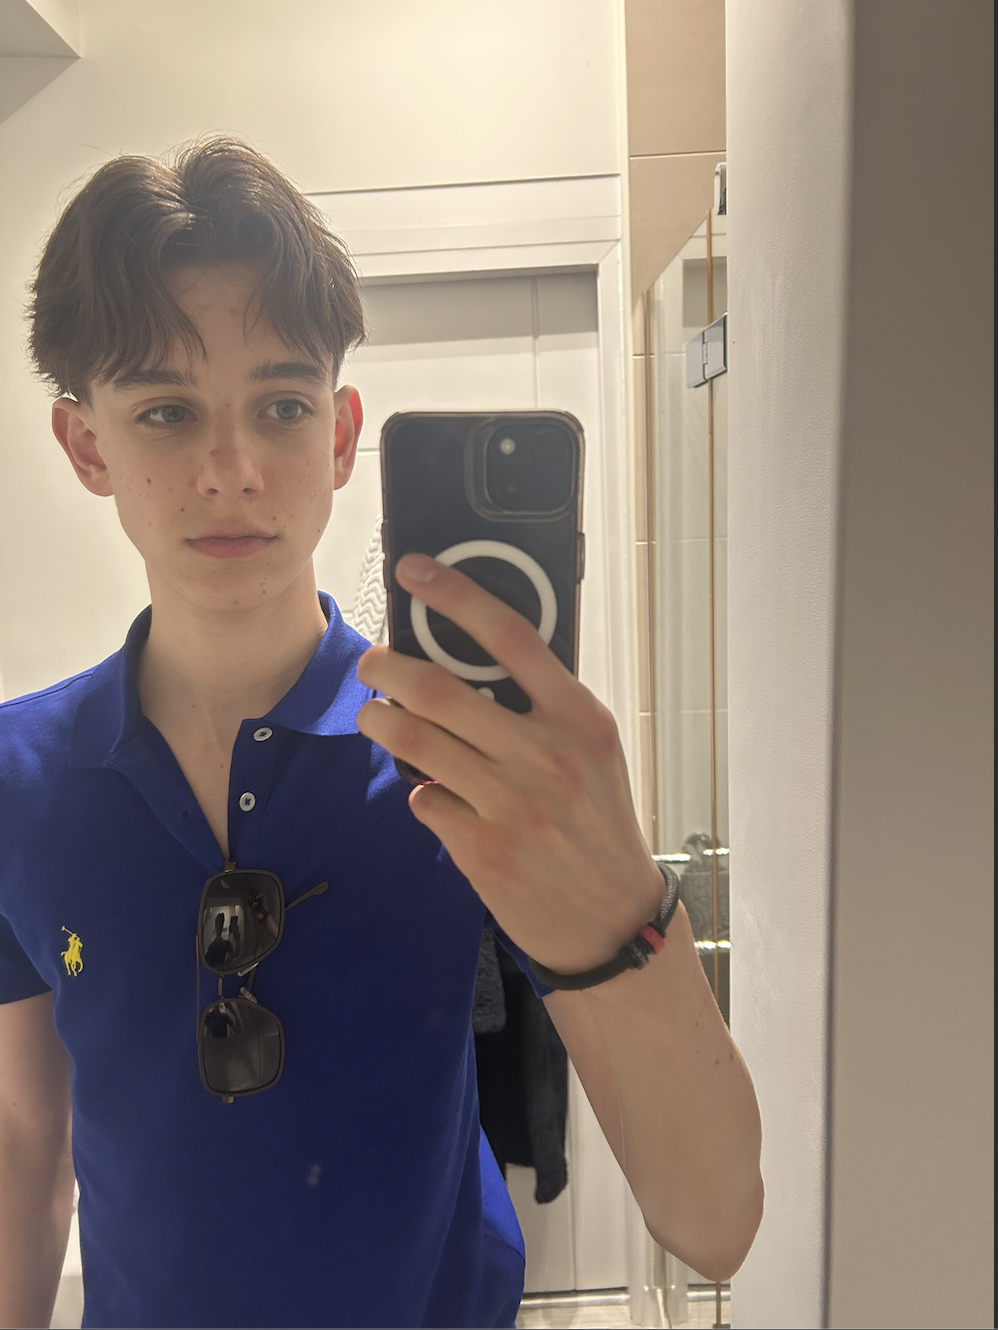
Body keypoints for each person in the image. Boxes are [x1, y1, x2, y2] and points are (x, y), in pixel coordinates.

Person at [0, 138, 763, 1330]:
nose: (231, 469)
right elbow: (23, 1134)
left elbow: (712, 1219)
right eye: (165, 411)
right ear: (87, 444)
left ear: (341, 434)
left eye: (281, 405)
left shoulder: (454, 752)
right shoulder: (18, 779)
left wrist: (622, 898)